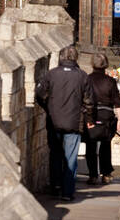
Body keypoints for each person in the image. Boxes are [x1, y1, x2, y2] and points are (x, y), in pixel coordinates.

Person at [36, 46, 94, 202]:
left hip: (54, 121)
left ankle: (55, 187)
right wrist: (89, 120)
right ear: (76, 58)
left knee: (55, 155)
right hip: (74, 123)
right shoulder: (82, 76)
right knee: (70, 158)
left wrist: (48, 109)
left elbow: (40, 94)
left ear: (61, 58)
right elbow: (89, 102)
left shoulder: (51, 74)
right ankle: (67, 192)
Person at [84, 51, 120, 186]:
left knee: (91, 146)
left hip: (91, 115)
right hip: (107, 116)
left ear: (92, 64)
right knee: (106, 145)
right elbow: (117, 102)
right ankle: (106, 174)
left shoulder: (87, 79)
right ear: (105, 65)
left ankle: (92, 175)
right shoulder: (110, 81)